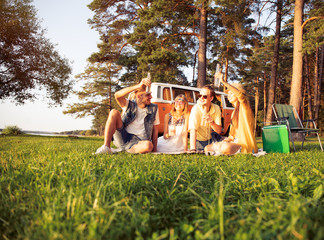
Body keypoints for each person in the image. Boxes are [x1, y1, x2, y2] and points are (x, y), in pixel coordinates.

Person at [95, 78, 160, 154]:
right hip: (123, 136)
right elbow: (117, 95)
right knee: (114, 112)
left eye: (150, 94)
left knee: (148, 145)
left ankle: (126, 149)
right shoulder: (129, 105)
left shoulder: (154, 108)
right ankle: (106, 147)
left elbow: (155, 130)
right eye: (148, 95)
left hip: (139, 141)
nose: (151, 97)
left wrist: (155, 150)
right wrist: (138, 86)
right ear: (139, 96)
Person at [204, 72, 258, 155]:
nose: (229, 96)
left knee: (226, 147)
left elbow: (240, 95)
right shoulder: (233, 113)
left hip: (244, 145)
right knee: (207, 148)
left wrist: (223, 82)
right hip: (233, 143)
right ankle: (221, 150)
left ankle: (222, 151)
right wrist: (227, 140)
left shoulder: (245, 106)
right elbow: (232, 135)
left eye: (231, 93)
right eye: (228, 94)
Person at [188, 85, 222, 152]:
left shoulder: (217, 108)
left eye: (205, 96)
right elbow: (193, 130)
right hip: (199, 142)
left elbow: (218, 131)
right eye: (200, 96)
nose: (201, 98)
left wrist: (212, 123)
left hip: (212, 139)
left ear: (211, 98)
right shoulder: (195, 109)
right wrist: (192, 149)